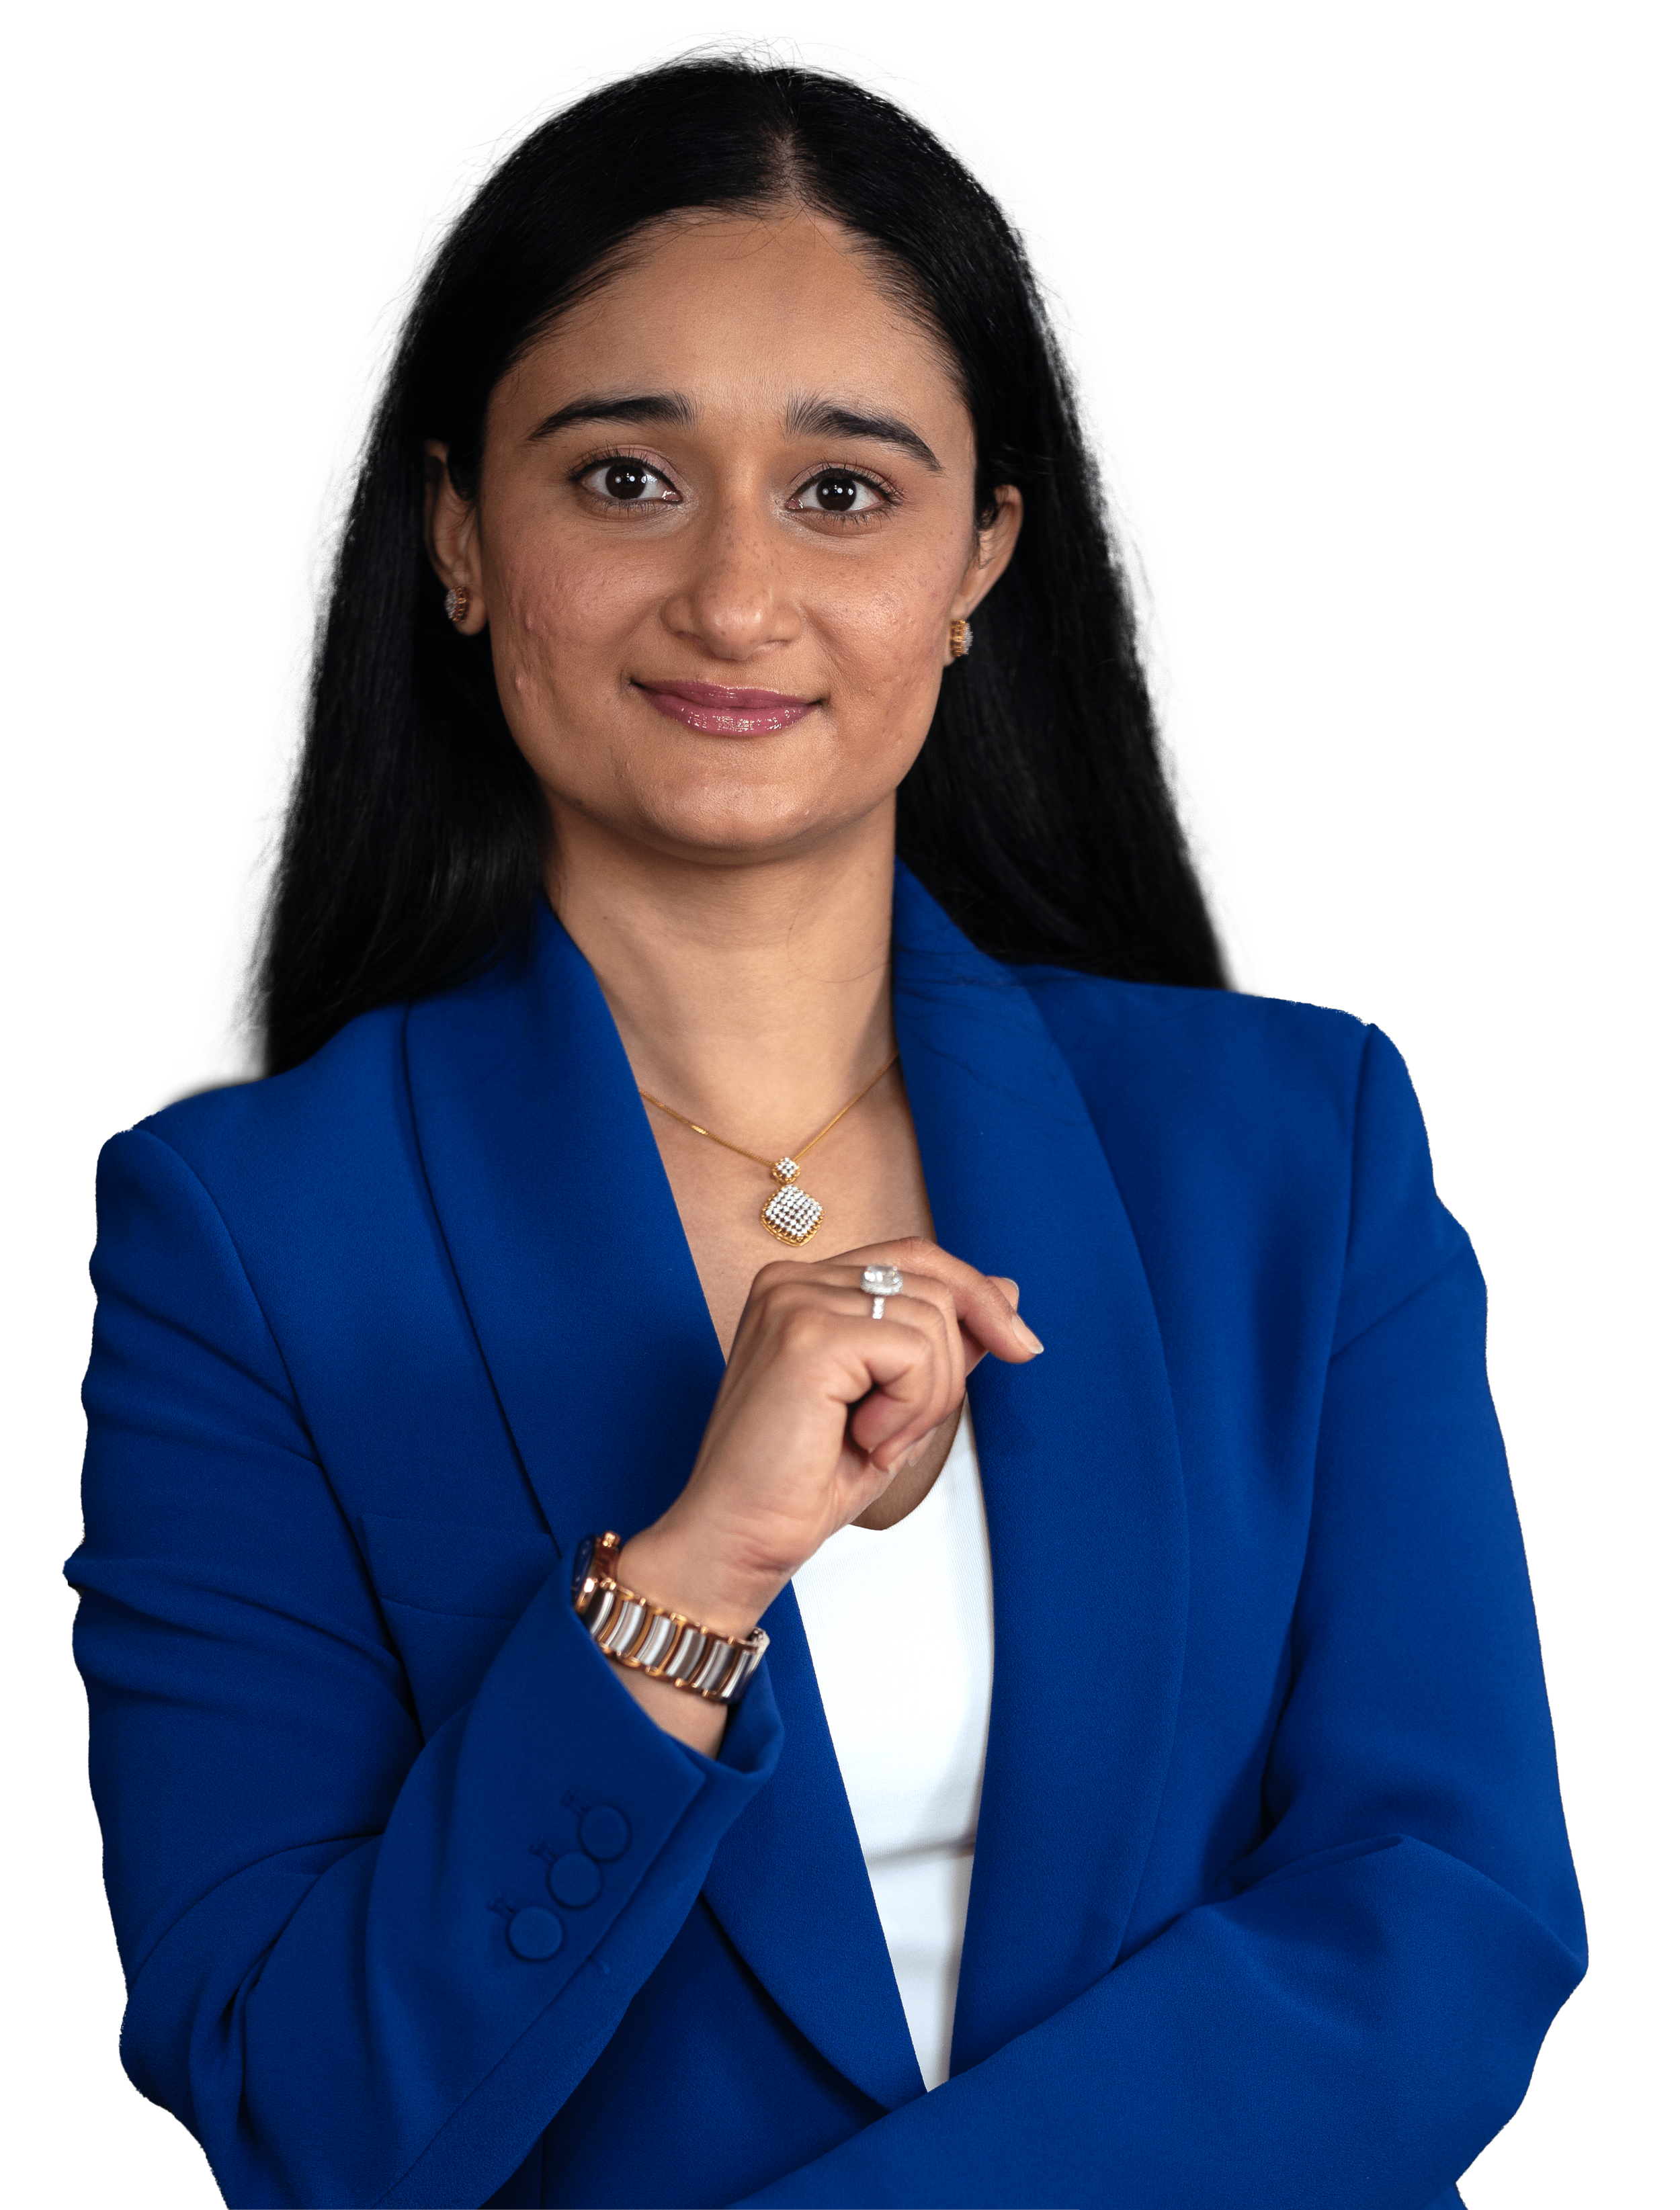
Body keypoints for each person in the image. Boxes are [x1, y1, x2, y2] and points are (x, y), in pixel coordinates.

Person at [65, 26, 1585, 2209]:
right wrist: (689, 1582)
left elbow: (1441, 1922)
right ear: (455, 537)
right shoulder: (244, 1238)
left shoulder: (1286, 1152)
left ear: (976, 563)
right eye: (621, 477)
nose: (736, 599)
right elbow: (297, 2103)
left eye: (845, 490)